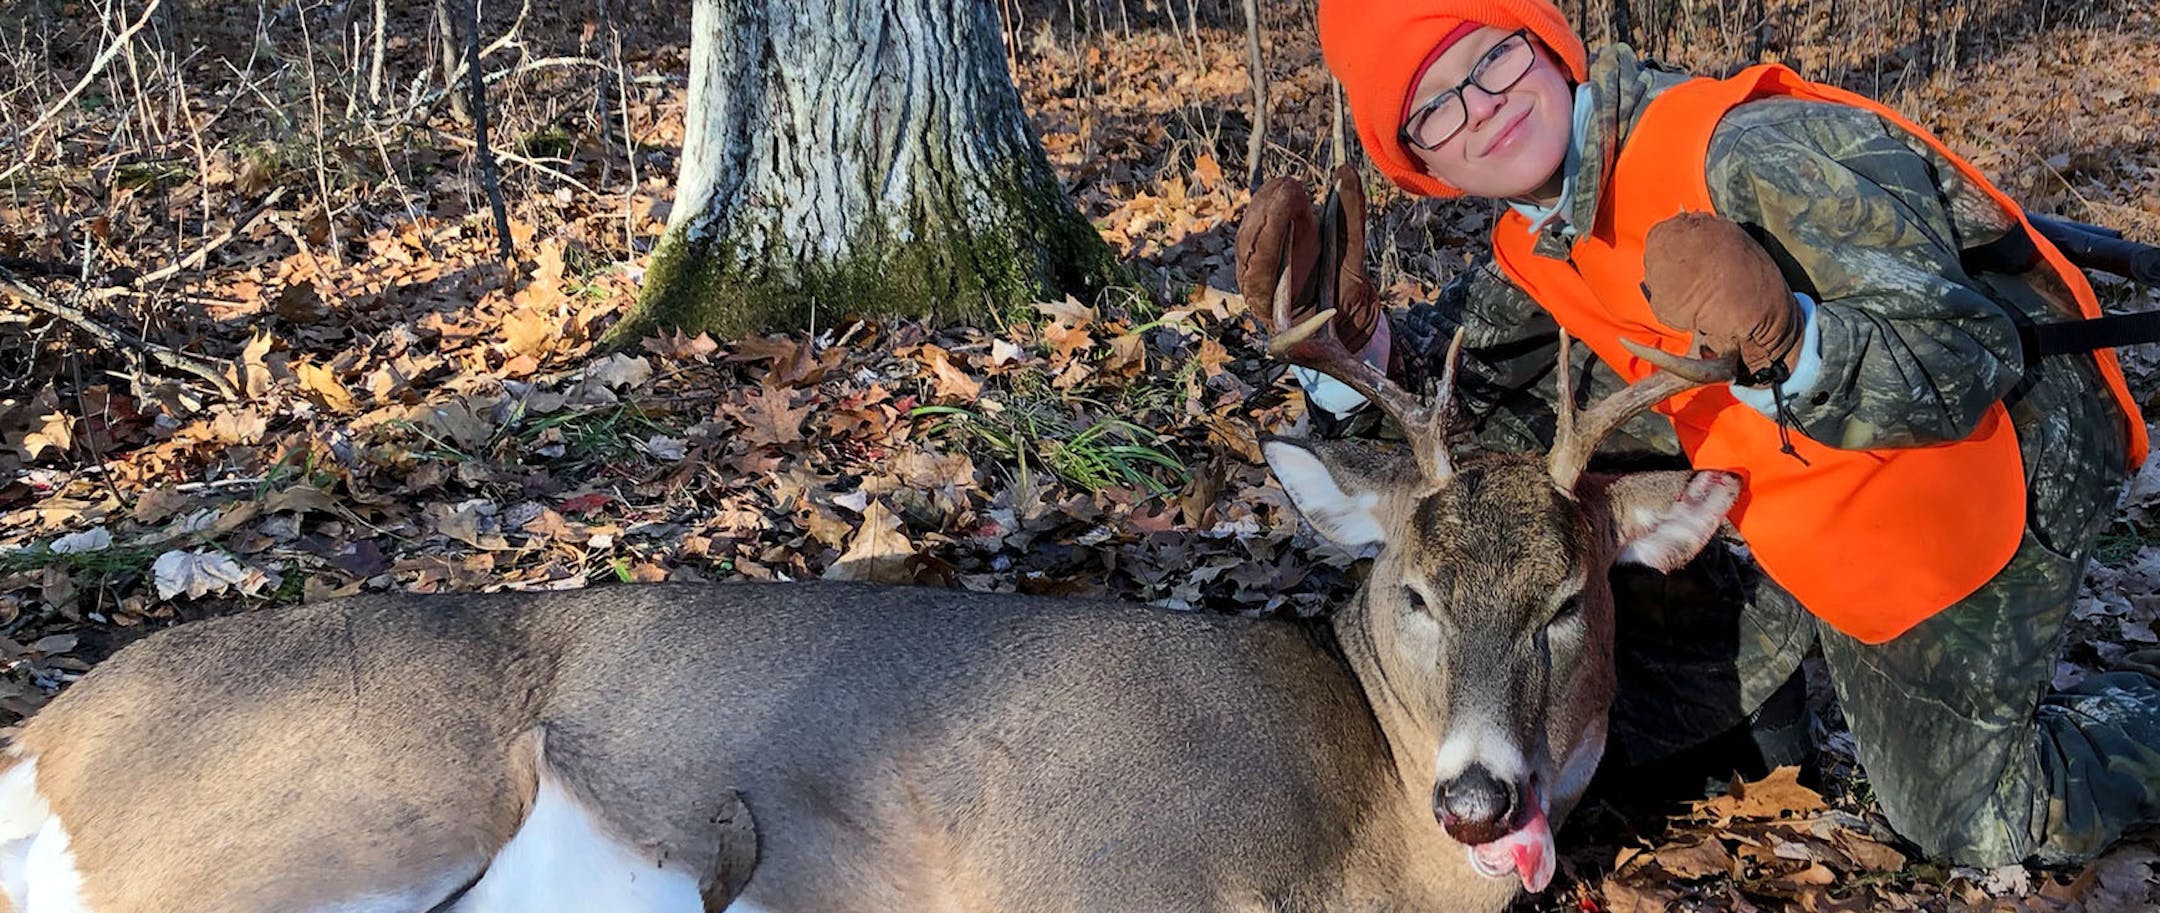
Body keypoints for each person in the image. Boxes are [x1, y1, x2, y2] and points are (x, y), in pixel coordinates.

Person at [1234, 0, 2160, 866]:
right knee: (1632, 729)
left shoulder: (1747, 152)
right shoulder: (1536, 237)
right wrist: (1350, 352)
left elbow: (1968, 354)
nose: (1478, 108)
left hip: (1985, 453)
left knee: (1973, 820)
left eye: (1492, 56)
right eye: (1432, 108)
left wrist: (1793, 336)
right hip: (1795, 482)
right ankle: (1769, 680)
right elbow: (1481, 421)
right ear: (1419, 164)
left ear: (1546, 42)